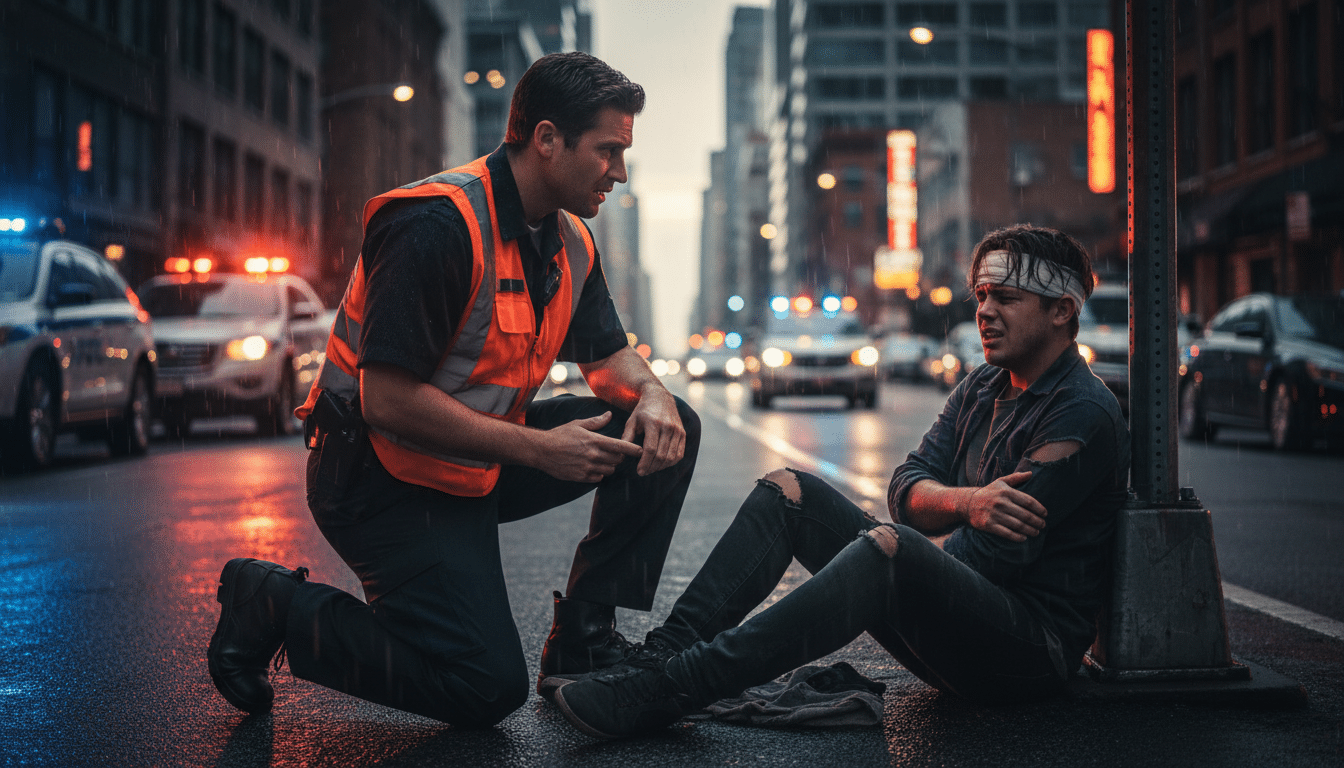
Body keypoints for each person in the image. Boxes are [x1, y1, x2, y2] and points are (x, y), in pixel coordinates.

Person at [206, 52, 701, 728]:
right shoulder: (437, 225)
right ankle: (273, 605)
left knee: (670, 425)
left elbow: (611, 355)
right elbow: (386, 401)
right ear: (548, 139)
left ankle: (584, 645)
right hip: (376, 478)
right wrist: (537, 449)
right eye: (608, 151)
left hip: (474, 464)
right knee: (484, 686)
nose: (618, 171)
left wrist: (652, 394)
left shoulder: (571, 243)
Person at [552, 225, 1131, 739]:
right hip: (959, 623)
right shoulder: (983, 386)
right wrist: (967, 502)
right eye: (981, 295)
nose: (985, 311)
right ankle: (659, 661)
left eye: (1007, 298)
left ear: (1062, 310)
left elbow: (988, 560)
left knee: (889, 549)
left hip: (1024, 655)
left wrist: (913, 545)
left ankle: (672, 688)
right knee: (787, 491)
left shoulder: (1080, 412)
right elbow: (906, 487)